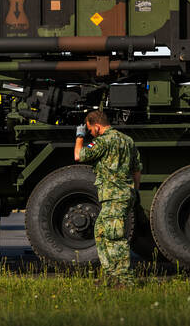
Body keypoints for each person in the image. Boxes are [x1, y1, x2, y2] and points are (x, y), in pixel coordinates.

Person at [74, 110, 141, 286]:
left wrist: (80, 137)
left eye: (89, 129)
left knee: (115, 237)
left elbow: (78, 156)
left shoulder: (103, 142)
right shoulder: (128, 141)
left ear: (97, 126)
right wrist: (134, 191)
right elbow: (136, 169)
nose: (90, 133)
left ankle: (125, 280)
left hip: (113, 196)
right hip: (123, 195)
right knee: (101, 232)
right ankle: (111, 275)